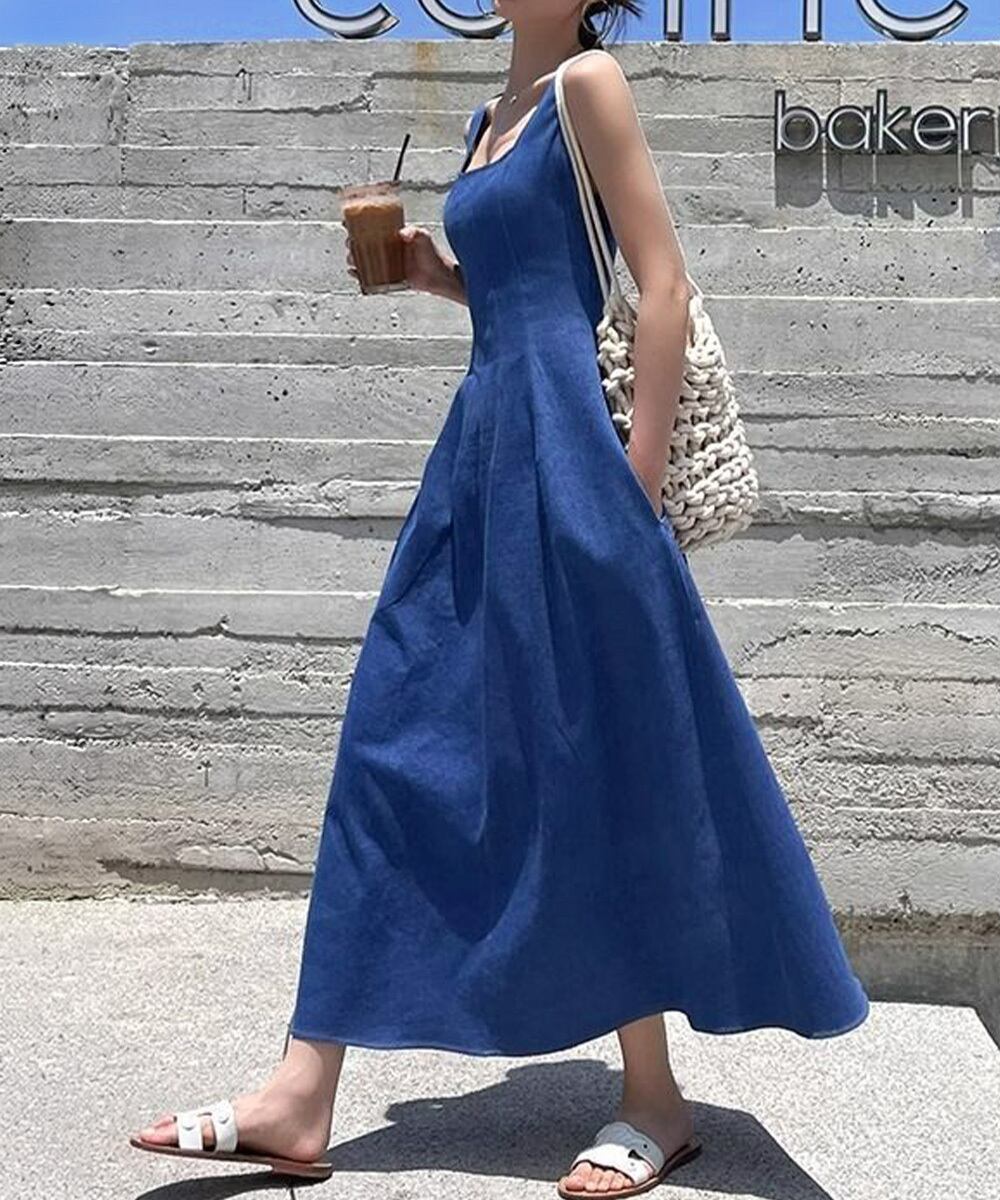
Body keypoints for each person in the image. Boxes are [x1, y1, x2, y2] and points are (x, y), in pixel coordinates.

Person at [130, 2, 871, 1195]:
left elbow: (662, 286)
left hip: (574, 458)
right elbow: (524, 300)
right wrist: (436, 274)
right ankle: (302, 1092)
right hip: (481, 453)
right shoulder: (490, 116)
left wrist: (628, 490)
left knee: (593, 755)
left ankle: (653, 1098)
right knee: (388, 741)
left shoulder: (588, 86)